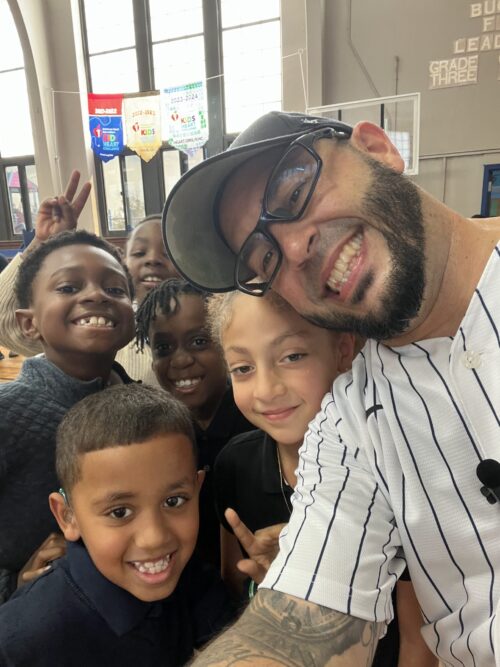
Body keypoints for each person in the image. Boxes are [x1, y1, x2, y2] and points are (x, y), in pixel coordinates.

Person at [161, 110, 500, 666]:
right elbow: (291, 627)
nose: (294, 250)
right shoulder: (352, 422)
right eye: (264, 257)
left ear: (377, 148)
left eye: (294, 191)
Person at [209, 289, 437, 667]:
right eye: (243, 368)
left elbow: (418, 643)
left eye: (293, 356)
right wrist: (285, 582)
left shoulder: (394, 468)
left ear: (343, 350)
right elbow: (236, 585)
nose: (266, 389)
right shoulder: (236, 464)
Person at [0, 383, 235, 666]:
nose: (154, 538)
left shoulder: (195, 582)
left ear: (197, 490)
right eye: (119, 512)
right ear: (67, 516)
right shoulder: (23, 640)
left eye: (174, 501)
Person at [0, 229, 135, 603]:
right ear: (29, 324)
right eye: (67, 288)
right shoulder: (7, 413)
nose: (95, 295)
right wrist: (13, 586)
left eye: (115, 289)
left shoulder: (147, 410)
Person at [0, 171, 177, 385]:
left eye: (168, 254)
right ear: (123, 267)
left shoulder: (206, 325)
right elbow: (6, 321)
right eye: (139, 253)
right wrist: (44, 243)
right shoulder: (95, 333)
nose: (152, 260)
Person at [135, 278, 253, 567]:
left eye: (199, 342)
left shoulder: (257, 425)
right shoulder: (155, 438)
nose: (181, 360)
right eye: (163, 348)